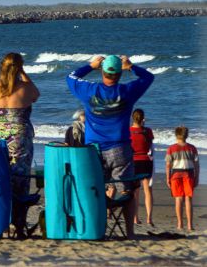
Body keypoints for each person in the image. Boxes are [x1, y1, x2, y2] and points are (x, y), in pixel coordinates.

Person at [66, 54, 154, 238]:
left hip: (94, 150)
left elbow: (71, 77)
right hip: (120, 149)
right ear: (119, 74)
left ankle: (96, 228)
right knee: (127, 190)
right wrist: (130, 66)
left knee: (96, 188)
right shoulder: (127, 91)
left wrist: (91, 65)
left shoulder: (90, 90)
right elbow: (148, 77)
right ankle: (129, 232)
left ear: (103, 72)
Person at [0, 52, 40, 197]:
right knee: (20, 173)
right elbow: (36, 95)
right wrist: (23, 73)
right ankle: (18, 211)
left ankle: (0, 207)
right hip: (19, 136)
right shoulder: (25, 87)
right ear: (19, 68)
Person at [165, 126, 199, 231]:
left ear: (176, 135)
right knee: (188, 198)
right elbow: (196, 164)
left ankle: (180, 224)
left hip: (175, 174)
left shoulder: (171, 148)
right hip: (188, 174)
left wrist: (168, 178)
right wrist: (197, 176)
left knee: (178, 199)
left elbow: (168, 165)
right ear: (187, 135)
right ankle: (190, 224)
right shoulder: (192, 148)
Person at [130, 108, 154, 226]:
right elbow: (150, 145)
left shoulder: (128, 131)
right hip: (145, 160)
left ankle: (135, 218)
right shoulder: (147, 131)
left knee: (135, 192)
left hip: (134, 160)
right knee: (147, 190)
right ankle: (149, 218)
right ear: (143, 118)